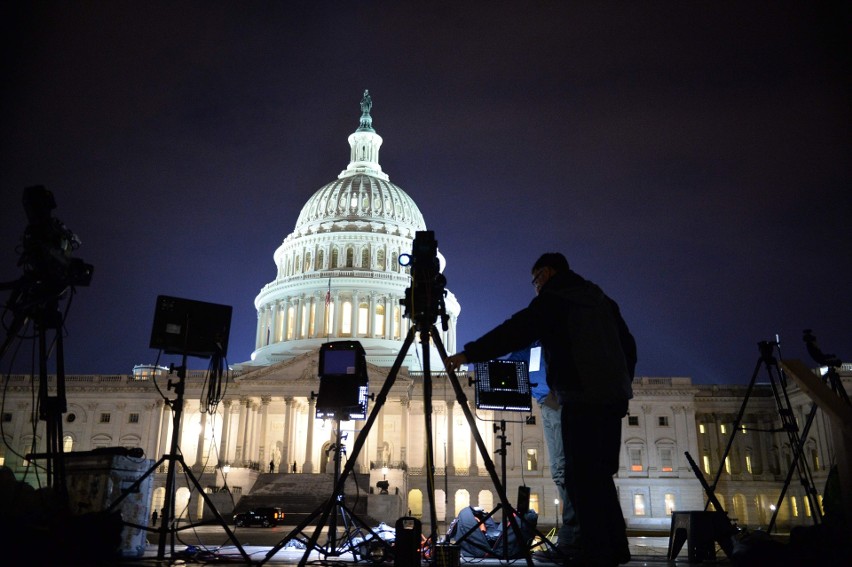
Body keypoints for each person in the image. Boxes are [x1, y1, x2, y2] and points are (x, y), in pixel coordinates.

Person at [446, 252, 636, 567]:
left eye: (536, 281)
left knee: (578, 475)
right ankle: (615, 547)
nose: (536, 288)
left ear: (546, 274)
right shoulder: (602, 301)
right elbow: (629, 346)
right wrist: (620, 384)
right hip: (612, 397)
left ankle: (587, 550)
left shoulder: (556, 299)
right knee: (600, 474)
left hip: (579, 395)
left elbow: (515, 329)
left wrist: (469, 355)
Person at [508, 341, 579, 558]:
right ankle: (576, 537)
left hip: (562, 401)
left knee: (563, 469)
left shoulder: (557, 336)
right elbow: (510, 364)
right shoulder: (532, 345)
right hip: (549, 403)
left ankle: (573, 540)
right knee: (563, 470)